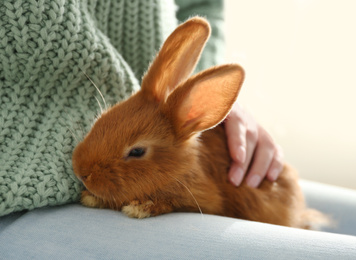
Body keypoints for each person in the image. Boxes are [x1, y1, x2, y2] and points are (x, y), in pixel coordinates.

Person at [0, 0, 282, 217]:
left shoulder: (181, 168)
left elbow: (208, 200)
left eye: (136, 153)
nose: (85, 170)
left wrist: (211, 81)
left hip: (256, 198)